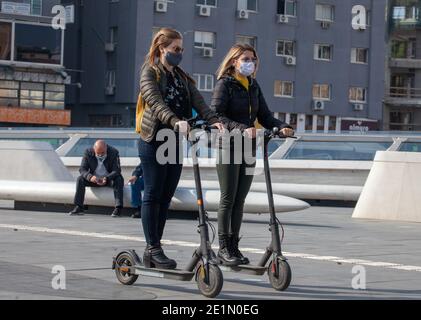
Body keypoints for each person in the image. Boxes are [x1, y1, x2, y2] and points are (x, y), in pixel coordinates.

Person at [138, 27, 224, 270]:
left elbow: (199, 102)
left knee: (165, 197)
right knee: (153, 193)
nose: (180, 53)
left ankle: (154, 249)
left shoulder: (182, 77)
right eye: (176, 49)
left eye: (182, 49)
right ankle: (152, 248)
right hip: (154, 139)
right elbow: (155, 103)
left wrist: (213, 120)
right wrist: (176, 121)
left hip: (174, 141)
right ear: (162, 48)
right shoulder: (150, 72)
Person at [211, 44, 294, 266]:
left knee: (240, 199)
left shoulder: (253, 86)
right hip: (228, 146)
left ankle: (234, 246)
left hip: (248, 148)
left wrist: (283, 126)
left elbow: (265, 115)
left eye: (253, 59)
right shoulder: (224, 85)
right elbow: (217, 116)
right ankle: (223, 248)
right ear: (233, 61)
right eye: (246, 58)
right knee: (228, 198)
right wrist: (240, 128)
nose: (250, 63)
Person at [69, 140, 124, 218]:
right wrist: (90, 177)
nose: (101, 155)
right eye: (98, 153)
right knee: (80, 179)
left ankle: (118, 208)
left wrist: (107, 178)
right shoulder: (88, 152)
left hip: (109, 179)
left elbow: (117, 170)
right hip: (94, 179)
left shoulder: (114, 152)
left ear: (106, 148)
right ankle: (79, 206)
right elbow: (82, 169)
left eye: (103, 153)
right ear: (94, 149)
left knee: (119, 179)